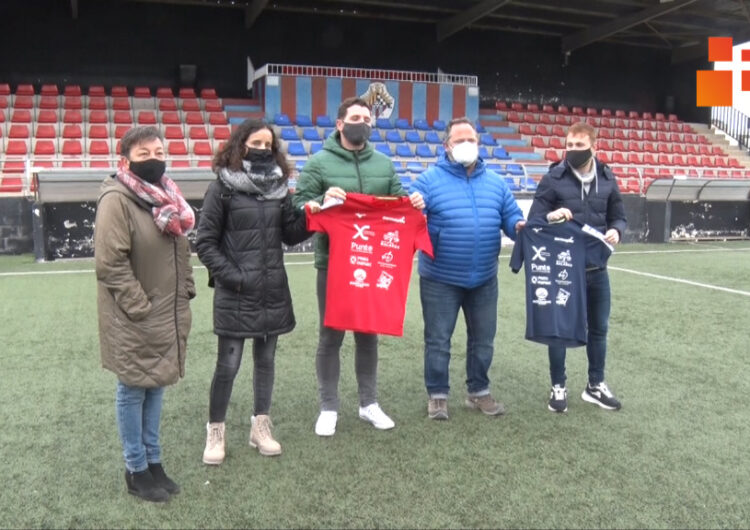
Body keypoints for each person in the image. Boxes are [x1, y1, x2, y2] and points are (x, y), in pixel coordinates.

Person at [292, 97, 424, 437]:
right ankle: (328, 407)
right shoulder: (319, 163)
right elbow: (298, 206)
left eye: (366, 118)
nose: (361, 122)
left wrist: (413, 202)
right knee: (330, 335)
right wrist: (323, 202)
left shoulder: (383, 163)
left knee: (369, 333)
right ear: (340, 124)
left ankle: (369, 404)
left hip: (374, 259)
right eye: (355, 117)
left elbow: (398, 200)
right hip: (333, 264)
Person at [196, 119, 310, 463]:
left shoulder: (280, 187)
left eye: (267, 144)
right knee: (227, 366)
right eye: (255, 143)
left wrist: (311, 216)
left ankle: (260, 427)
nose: (262, 149)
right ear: (239, 145)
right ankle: (216, 430)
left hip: (272, 291)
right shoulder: (223, 188)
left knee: (266, 363)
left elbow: (289, 234)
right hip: (236, 293)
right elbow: (205, 243)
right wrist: (235, 278)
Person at [94, 126, 195, 503]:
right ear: (126, 160)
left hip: (165, 313)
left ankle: (154, 463)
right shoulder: (117, 200)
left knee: (156, 386)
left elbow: (180, 251)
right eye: (143, 153)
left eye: (158, 151)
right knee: (133, 388)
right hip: (135, 316)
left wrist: (185, 290)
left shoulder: (168, 198)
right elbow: (110, 263)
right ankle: (135, 469)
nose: (153, 158)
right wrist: (140, 307)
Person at [409, 117, 525, 421]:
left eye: (470, 139)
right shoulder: (427, 181)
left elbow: (511, 218)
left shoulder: (496, 183)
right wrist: (414, 207)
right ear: (447, 146)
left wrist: (520, 226)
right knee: (437, 339)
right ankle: (437, 395)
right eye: (459, 140)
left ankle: (479, 391)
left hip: (484, 277)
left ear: (479, 142)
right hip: (440, 278)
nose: (466, 145)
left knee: (484, 339)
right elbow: (410, 219)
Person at [527, 121, 626, 413]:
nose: (572, 151)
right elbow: (535, 220)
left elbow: (619, 216)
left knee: (599, 328)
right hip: (563, 270)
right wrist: (552, 215)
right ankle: (558, 386)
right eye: (569, 145)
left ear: (594, 147)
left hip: (597, 269)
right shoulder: (553, 178)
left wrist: (617, 231)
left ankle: (595, 385)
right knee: (558, 330)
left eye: (579, 146)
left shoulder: (607, 178)